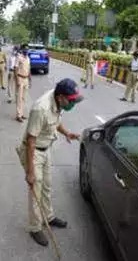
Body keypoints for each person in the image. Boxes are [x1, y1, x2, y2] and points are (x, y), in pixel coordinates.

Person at [16, 78, 84, 246]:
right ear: (61, 96)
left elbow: (55, 123)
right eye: (71, 100)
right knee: (36, 189)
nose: (73, 103)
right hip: (34, 152)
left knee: (47, 185)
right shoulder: (41, 108)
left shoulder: (58, 102)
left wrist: (66, 133)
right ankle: (35, 227)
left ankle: (48, 216)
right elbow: (31, 141)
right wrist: (30, 171)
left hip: (46, 149)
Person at [14, 43, 31, 122]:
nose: (26, 50)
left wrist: (30, 79)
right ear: (22, 49)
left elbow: (28, 69)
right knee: (19, 98)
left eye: (27, 49)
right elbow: (15, 68)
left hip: (26, 79)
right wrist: (17, 80)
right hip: (20, 78)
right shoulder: (19, 57)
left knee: (24, 98)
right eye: (25, 49)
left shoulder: (28, 58)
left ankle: (22, 113)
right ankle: (18, 115)